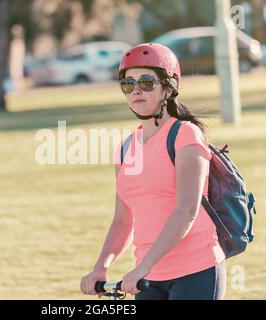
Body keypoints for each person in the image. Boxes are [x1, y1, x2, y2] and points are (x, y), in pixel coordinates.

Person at [80, 43, 226, 300]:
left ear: (168, 87)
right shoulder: (126, 148)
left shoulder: (185, 135)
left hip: (195, 270)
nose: (136, 90)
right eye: (128, 83)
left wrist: (142, 267)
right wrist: (100, 268)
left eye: (147, 82)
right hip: (147, 279)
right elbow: (123, 221)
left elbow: (186, 211)